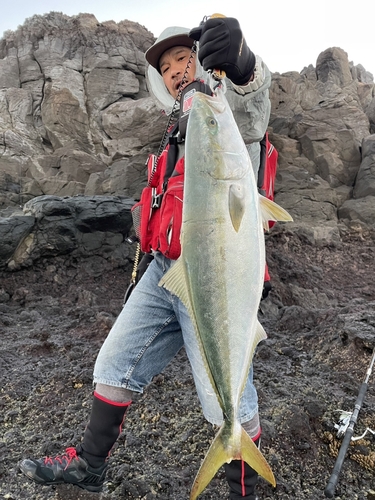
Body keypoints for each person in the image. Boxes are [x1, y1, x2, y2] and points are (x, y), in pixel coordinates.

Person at [19, 16, 272, 500]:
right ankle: (90, 467)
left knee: (226, 404)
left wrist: (240, 64)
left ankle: (244, 485)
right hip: (165, 274)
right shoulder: (175, 128)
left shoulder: (223, 111)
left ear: (201, 59)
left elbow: (254, 103)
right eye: (167, 65)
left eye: (184, 57)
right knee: (113, 363)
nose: (177, 70)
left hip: (217, 274)